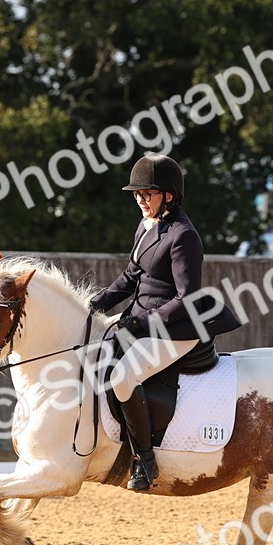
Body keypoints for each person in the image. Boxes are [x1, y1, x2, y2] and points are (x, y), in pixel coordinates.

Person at [89, 153, 241, 491]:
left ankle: (144, 461)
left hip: (179, 328)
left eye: (148, 194)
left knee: (124, 379)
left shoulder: (183, 235)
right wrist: (97, 302)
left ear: (168, 195)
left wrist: (140, 324)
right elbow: (131, 276)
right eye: (137, 194)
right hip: (144, 319)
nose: (141, 200)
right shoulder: (147, 226)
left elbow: (186, 296)